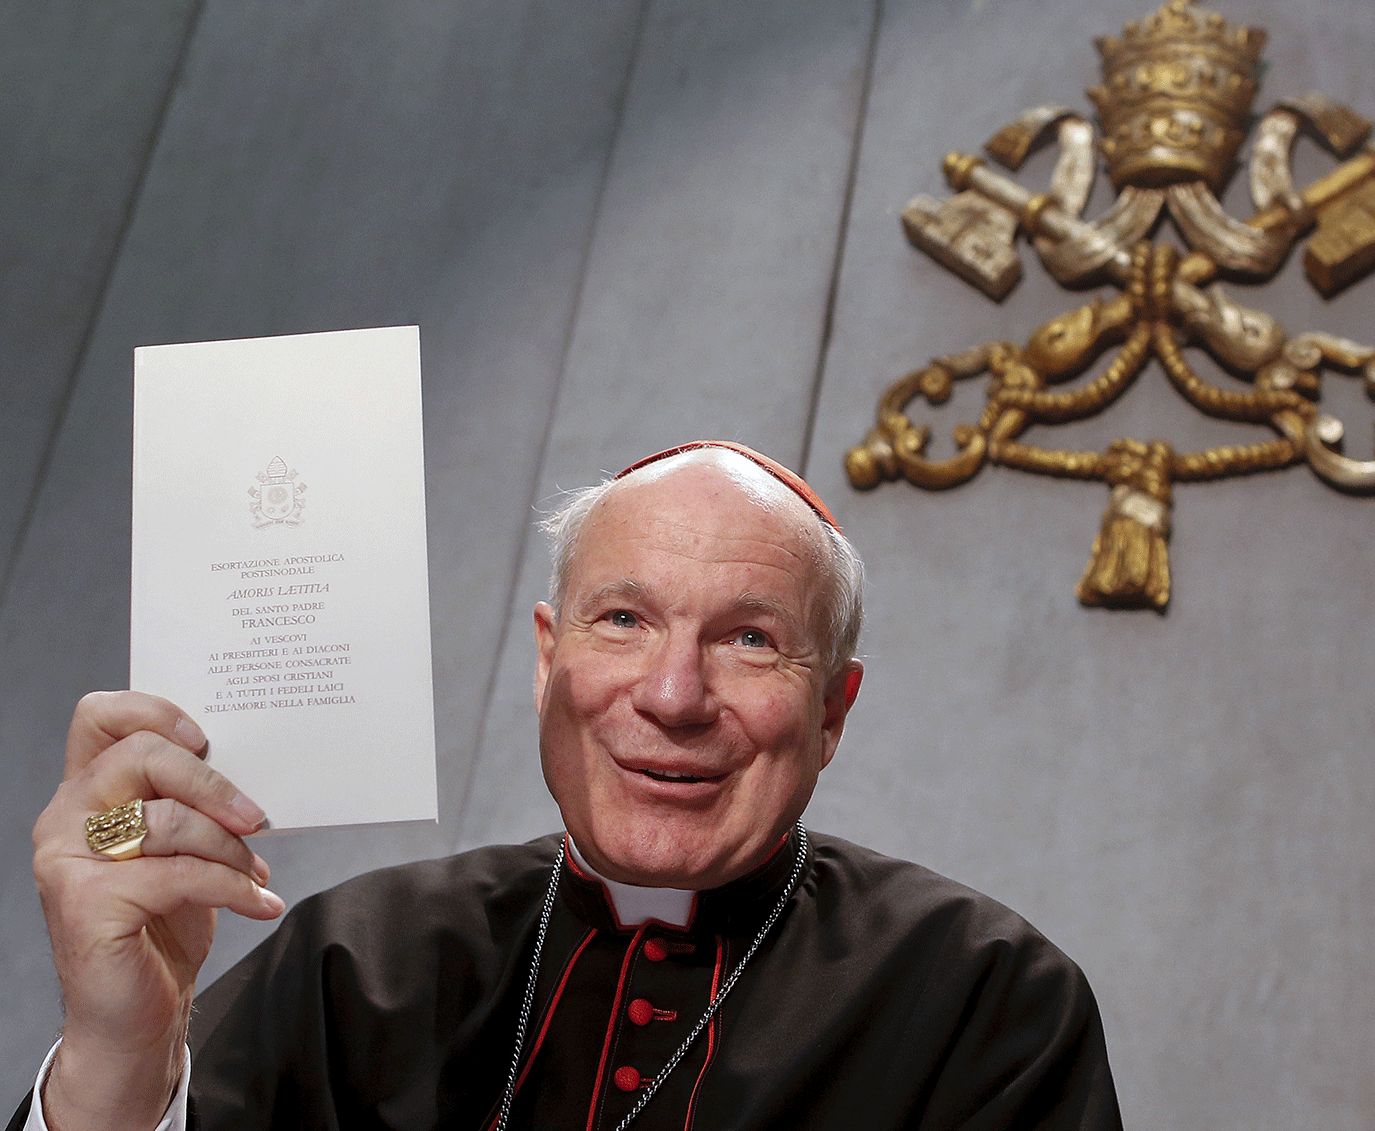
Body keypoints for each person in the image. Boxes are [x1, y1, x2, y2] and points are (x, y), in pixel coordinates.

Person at [18, 442, 1123, 1131]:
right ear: (550, 661)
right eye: (625, 620)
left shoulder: (986, 1002)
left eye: (748, 639)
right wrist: (116, 1061)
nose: (675, 694)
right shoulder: (357, 960)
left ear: (831, 709)